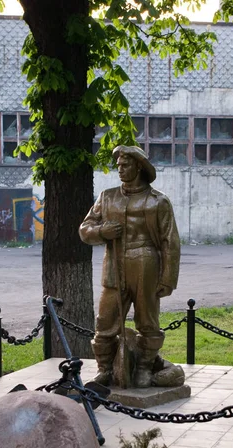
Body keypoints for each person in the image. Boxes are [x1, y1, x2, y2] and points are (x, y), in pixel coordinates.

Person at [79, 145, 181, 388]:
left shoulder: (158, 201)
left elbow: (170, 242)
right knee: (104, 321)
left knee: (147, 321)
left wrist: (168, 278)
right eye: (118, 166)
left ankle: (145, 367)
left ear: (139, 166)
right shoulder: (107, 197)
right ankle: (104, 370)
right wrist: (101, 231)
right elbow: (85, 229)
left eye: (125, 165)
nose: (120, 169)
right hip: (114, 266)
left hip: (146, 264)